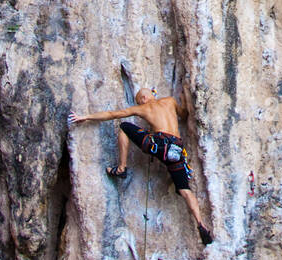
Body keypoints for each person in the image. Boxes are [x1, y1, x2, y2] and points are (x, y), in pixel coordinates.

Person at [70, 88, 214, 245]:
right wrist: (184, 97)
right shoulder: (170, 101)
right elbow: (184, 114)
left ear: (144, 98)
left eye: (139, 100)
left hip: (159, 145)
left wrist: (86, 116)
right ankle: (201, 224)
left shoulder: (144, 108)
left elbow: (113, 114)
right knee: (185, 190)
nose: (139, 103)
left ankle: (121, 168)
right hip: (177, 151)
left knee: (124, 126)